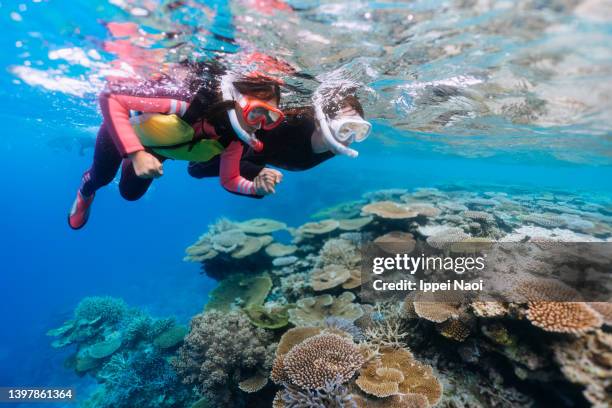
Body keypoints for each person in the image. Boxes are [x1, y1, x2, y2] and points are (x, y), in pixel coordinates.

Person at [68, 61, 285, 229]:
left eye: (270, 118)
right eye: (257, 112)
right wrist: (136, 154)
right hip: (124, 132)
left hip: (157, 148)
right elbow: (111, 98)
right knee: (101, 178)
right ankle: (85, 193)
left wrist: (253, 186)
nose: (261, 125)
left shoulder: (232, 140)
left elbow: (229, 179)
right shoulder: (185, 102)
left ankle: (132, 162)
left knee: (130, 194)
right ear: (236, 98)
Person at [187, 90, 371, 194]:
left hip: (261, 156)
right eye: (345, 128)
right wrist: (259, 172)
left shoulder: (333, 145)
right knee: (195, 169)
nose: (349, 139)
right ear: (319, 122)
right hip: (239, 145)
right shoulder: (289, 128)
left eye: (359, 130)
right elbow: (243, 160)